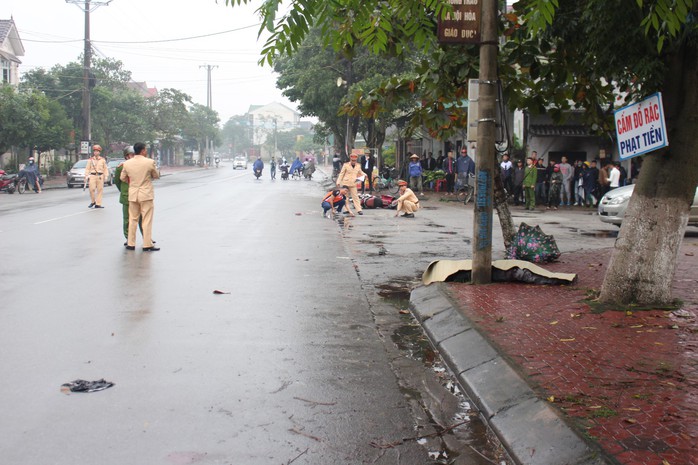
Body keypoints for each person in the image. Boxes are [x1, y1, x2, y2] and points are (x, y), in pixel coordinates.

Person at [120, 142, 160, 251]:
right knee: (146, 219)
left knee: (133, 219)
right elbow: (156, 175)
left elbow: (122, 178)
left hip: (133, 194)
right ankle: (147, 244)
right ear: (142, 150)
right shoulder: (149, 162)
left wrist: (133, 182)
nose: (146, 151)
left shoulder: (127, 163)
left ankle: (131, 243)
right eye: (145, 149)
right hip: (145, 194)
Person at [114, 146, 149, 245]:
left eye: (135, 155)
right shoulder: (121, 167)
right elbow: (117, 181)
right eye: (132, 155)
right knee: (127, 219)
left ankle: (146, 238)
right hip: (127, 196)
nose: (134, 157)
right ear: (126, 156)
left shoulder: (142, 165)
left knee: (143, 218)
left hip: (140, 196)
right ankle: (129, 238)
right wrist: (124, 191)